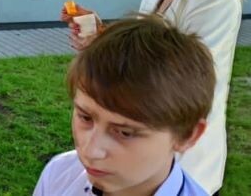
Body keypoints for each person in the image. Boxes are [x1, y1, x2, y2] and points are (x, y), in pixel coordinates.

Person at [61, 0, 241, 193]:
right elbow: (143, 52)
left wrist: (106, 42)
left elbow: (184, 76)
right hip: (133, 147)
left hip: (179, 152)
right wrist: (101, 38)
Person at [35, 16, 214, 196]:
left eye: (125, 133)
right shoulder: (59, 174)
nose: (91, 151)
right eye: (85, 117)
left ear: (187, 135)